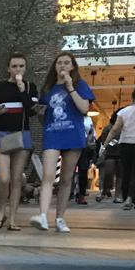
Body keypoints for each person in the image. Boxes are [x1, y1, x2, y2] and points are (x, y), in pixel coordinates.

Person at [31, 52, 95, 232]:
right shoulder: (48, 88)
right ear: (55, 66)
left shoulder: (79, 85)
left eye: (67, 63)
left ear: (73, 66)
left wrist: (70, 87)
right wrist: (41, 113)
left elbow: (84, 109)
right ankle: (43, 216)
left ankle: (60, 218)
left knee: (66, 179)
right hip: (52, 134)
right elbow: (44, 119)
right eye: (59, 62)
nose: (62, 66)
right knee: (48, 175)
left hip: (73, 135)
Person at [0, 53, 38, 230]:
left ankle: (13, 219)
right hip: (1, 136)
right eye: (14, 66)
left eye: (21, 66)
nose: (18, 69)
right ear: (8, 68)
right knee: (4, 178)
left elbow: (32, 111)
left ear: (25, 68)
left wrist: (22, 90)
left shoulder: (30, 87)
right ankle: (1, 211)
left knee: (16, 179)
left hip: (21, 136)